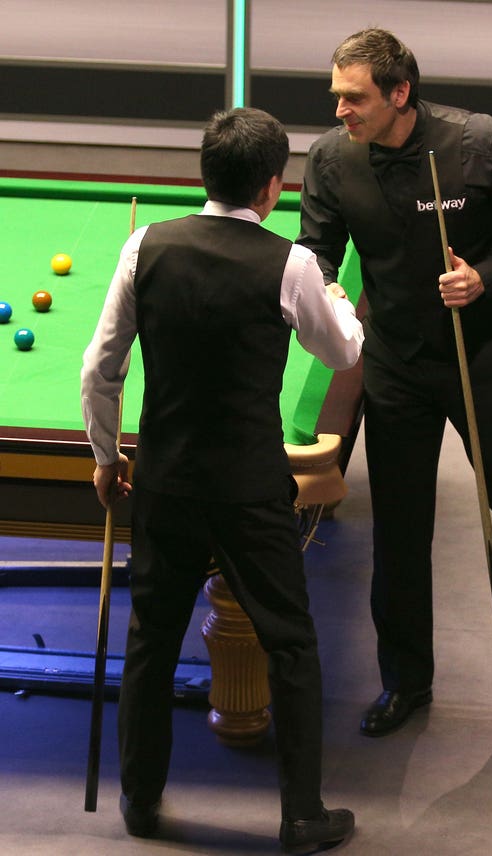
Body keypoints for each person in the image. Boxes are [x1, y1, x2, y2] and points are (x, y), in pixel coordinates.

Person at [81, 106, 362, 851]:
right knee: (292, 645)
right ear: (273, 188)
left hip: (165, 483)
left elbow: (98, 370)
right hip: (248, 491)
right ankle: (301, 816)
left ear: (204, 174)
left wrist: (107, 459)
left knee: (151, 643)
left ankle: (140, 802)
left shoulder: (147, 245)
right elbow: (339, 355)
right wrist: (337, 303)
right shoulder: (292, 264)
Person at [297, 28, 492, 738]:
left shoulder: (481, 144)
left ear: (400, 94)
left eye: (354, 98)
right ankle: (406, 680)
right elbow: (317, 254)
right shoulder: (333, 159)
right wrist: (324, 295)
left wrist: (485, 276)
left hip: (483, 352)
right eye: (336, 96)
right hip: (395, 360)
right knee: (398, 530)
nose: (341, 111)